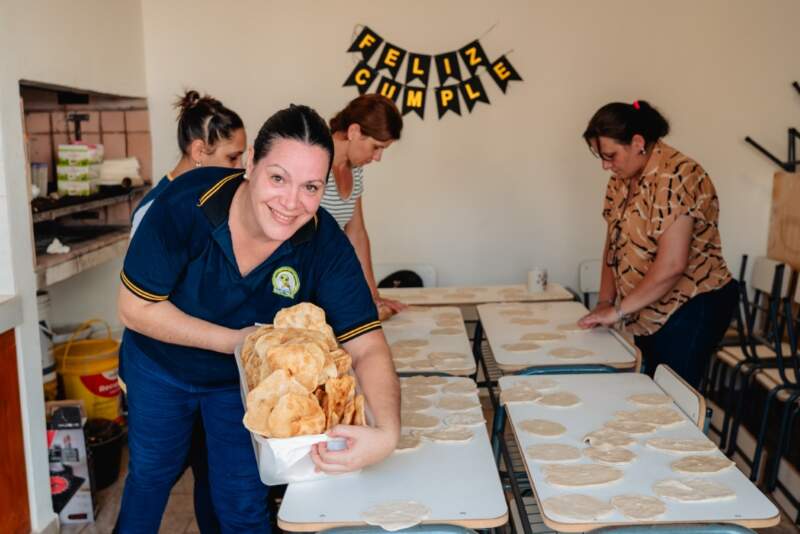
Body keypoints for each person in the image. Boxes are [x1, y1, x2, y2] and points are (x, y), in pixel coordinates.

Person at [115, 104, 400, 533]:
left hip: (243, 385)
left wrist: (388, 433)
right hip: (161, 367)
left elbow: (367, 344)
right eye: (278, 178)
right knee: (152, 477)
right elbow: (135, 308)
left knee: (241, 499)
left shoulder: (323, 242)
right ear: (250, 164)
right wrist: (236, 341)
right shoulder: (183, 206)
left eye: (310, 187)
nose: (291, 203)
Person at [125, 90, 245, 533]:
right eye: (233, 158)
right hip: (163, 369)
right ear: (199, 151)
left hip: (209, 367)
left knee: (212, 472)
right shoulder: (158, 211)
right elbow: (146, 308)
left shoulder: (214, 202)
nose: (241, 170)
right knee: (153, 475)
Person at [577, 100, 738, 388]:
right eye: (600, 157)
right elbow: (613, 243)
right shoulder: (621, 179)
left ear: (638, 142)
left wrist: (618, 311)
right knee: (648, 388)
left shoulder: (678, 175)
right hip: (647, 304)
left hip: (691, 304)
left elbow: (673, 265)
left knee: (672, 396)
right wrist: (604, 302)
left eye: (610, 156)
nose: (605, 165)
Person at [321, 94, 406, 317]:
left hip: (330, 279)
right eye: (376, 147)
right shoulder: (315, 163)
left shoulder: (355, 169)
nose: (377, 157)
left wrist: (372, 296)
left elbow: (356, 233)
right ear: (354, 132)